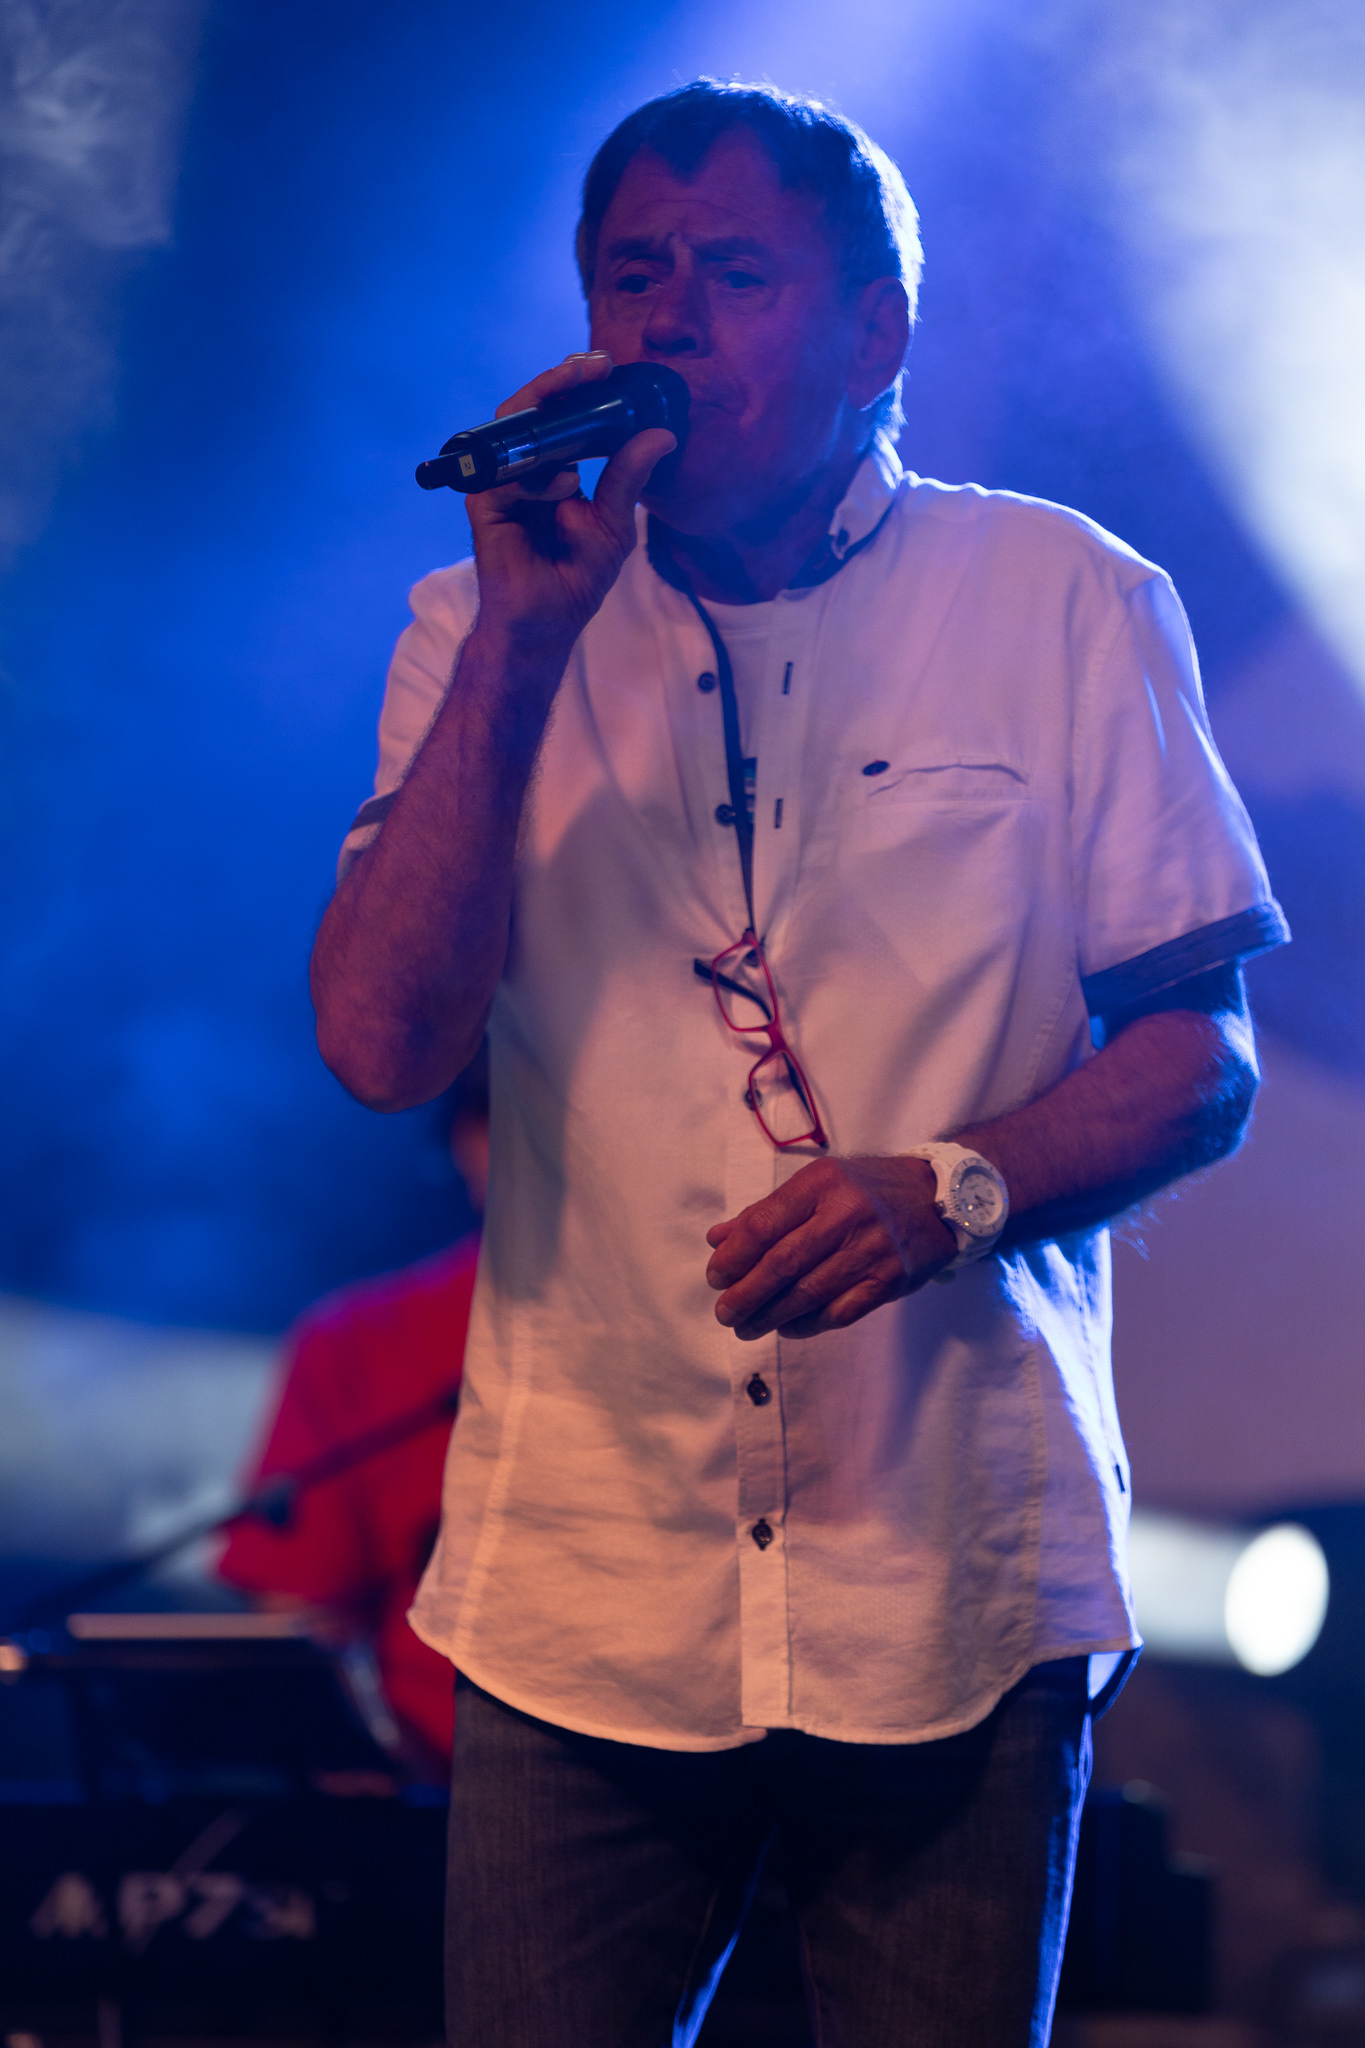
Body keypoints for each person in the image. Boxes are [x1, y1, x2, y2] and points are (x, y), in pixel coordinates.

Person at [309, 81, 1288, 2048]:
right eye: (631, 275)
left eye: (736, 274)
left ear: (876, 331)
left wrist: (957, 1191)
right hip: (583, 1589)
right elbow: (380, 1043)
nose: (668, 318)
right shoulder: (472, 626)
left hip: (948, 1577)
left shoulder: (1063, 599)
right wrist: (523, 640)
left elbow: (1201, 1062)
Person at [217, 1053, 488, 1782]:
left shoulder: (736, 1322)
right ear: (461, 1140)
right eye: (498, 1114)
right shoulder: (359, 1343)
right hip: (431, 1799)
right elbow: (299, 1618)